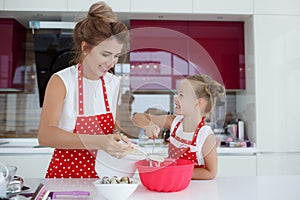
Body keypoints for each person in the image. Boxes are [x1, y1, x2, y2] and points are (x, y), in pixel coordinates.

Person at [38, 1, 133, 179]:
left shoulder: (113, 83)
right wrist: (100, 142)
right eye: (105, 54)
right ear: (85, 48)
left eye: (116, 56)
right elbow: (45, 135)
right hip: (65, 178)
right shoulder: (62, 81)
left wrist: (118, 139)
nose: (111, 63)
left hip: (104, 178)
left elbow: (113, 126)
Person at [132, 75, 225, 180]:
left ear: (198, 103)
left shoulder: (205, 135)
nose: (176, 98)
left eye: (181, 95)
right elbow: (137, 117)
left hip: (195, 190)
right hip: (173, 185)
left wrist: (176, 171)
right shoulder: (174, 122)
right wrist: (148, 125)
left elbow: (211, 172)